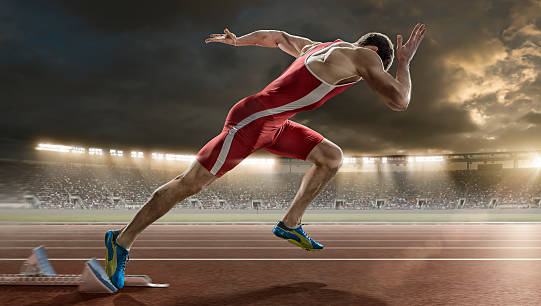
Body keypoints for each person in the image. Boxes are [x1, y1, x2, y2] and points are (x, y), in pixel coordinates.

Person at [105, 24, 426, 288]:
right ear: (375, 56)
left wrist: (237, 41)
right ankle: (121, 240)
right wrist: (403, 63)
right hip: (253, 121)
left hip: (273, 123)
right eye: (376, 71)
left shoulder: (316, 46)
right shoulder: (364, 57)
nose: (369, 77)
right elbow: (399, 100)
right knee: (190, 183)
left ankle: (290, 223)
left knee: (331, 157)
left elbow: (277, 37)